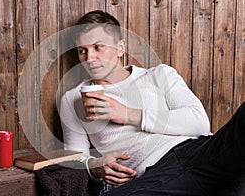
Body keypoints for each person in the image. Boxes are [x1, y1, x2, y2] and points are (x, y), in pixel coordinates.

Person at [59, 10, 245, 195]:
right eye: (82, 51)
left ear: (121, 47)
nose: (89, 58)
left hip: (199, 152)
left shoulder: (159, 74)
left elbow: (199, 123)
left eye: (98, 47)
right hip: (156, 174)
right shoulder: (72, 98)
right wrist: (95, 166)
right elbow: (73, 158)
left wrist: (127, 114)